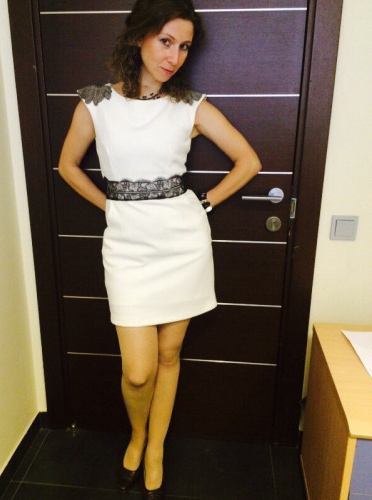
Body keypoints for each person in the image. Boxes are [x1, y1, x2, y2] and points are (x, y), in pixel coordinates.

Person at [58, 0, 261, 497]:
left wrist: (204, 204)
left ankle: (155, 448)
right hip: (128, 248)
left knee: (169, 354)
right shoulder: (95, 103)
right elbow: (67, 166)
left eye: (184, 46)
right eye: (166, 41)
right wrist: (110, 205)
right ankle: (137, 434)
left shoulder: (190, 105)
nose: (174, 56)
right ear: (138, 37)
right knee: (137, 371)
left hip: (181, 244)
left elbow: (248, 161)